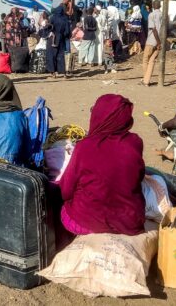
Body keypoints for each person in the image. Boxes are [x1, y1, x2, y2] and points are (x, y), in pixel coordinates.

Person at [59, 94, 145, 236]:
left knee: (61, 205)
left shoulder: (84, 147)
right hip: (129, 223)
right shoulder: (135, 142)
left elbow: (65, 191)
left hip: (88, 222)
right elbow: (138, 178)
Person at [141, 0, 163, 86]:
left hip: (152, 40)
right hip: (160, 41)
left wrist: (157, 42)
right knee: (152, 61)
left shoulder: (151, 15)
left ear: (153, 6)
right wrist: (160, 42)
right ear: (160, 6)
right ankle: (146, 80)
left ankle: (146, 80)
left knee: (145, 60)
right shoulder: (164, 15)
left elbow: (153, 29)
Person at [47, 4, 71, 77]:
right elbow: (67, 31)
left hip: (53, 38)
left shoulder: (53, 18)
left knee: (52, 55)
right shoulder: (65, 19)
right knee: (60, 55)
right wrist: (64, 36)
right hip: (61, 38)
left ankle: (53, 72)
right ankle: (63, 72)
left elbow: (49, 27)